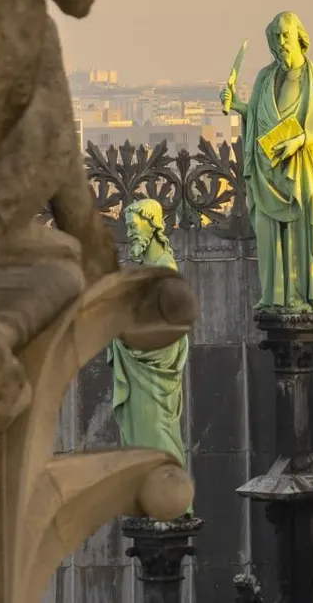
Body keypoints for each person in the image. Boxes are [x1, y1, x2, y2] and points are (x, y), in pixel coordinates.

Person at [223, 11, 313, 311]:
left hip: (298, 172)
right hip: (266, 171)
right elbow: (258, 118)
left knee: (298, 238)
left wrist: (298, 142)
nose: (281, 41)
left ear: (300, 36)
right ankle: (273, 297)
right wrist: (239, 107)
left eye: (286, 35)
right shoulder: (265, 76)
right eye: (276, 37)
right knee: (269, 236)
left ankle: (297, 297)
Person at [106, 198, 190, 509]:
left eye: (133, 225)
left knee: (156, 429)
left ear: (152, 224)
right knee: (146, 433)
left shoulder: (164, 271)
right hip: (141, 365)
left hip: (154, 367)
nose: (129, 233)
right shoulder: (149, 270)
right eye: (127, 227)